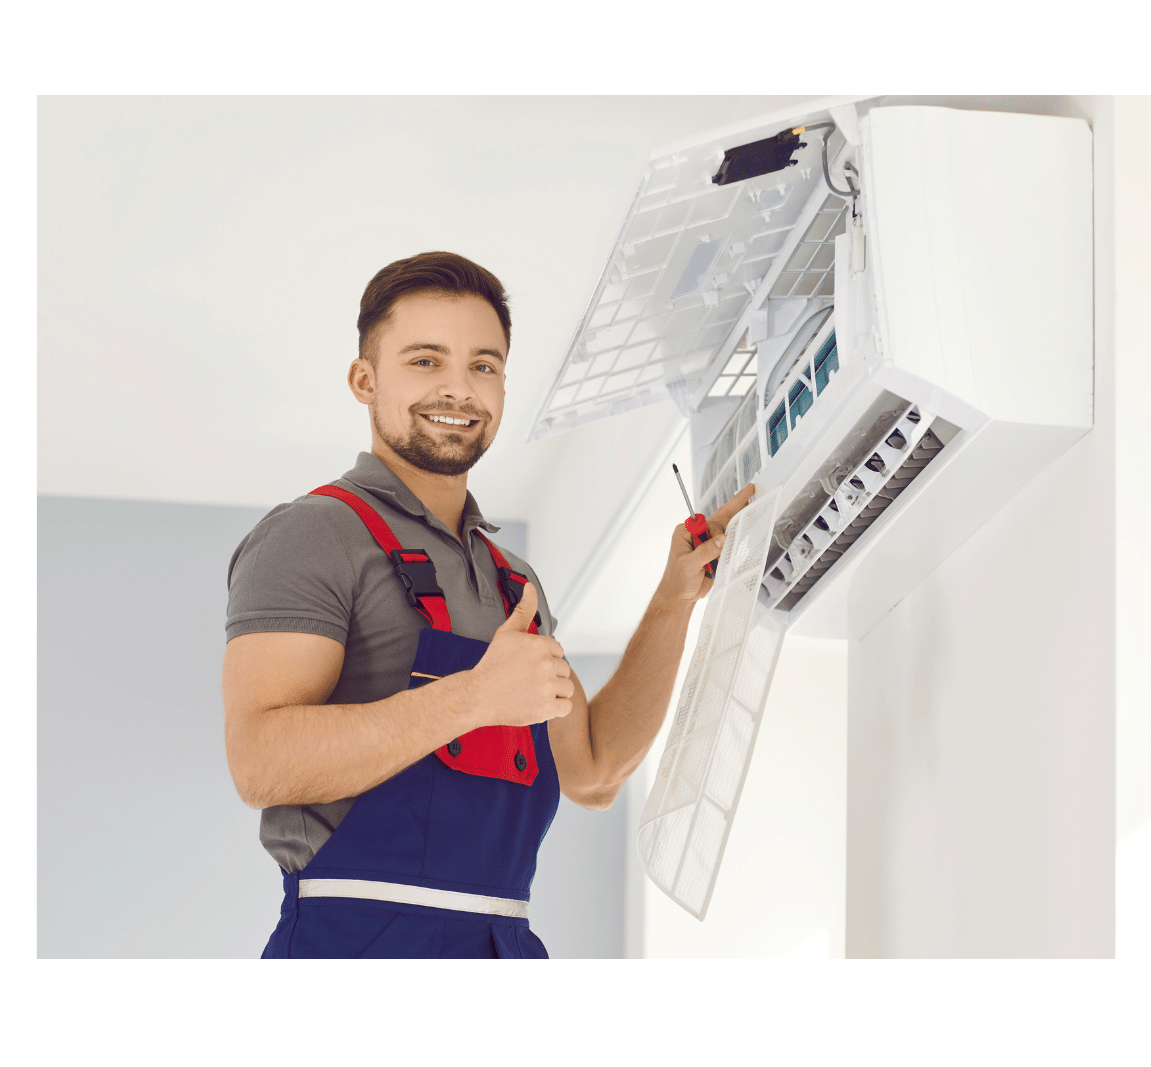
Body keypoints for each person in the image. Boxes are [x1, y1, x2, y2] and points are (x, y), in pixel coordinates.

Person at [222, 251, 753, 958]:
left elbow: (592, 771)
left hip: (503, 946)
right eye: (424, 361)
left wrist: (674, 597)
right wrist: (475, 699)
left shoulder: (512, 581)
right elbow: (262, 765)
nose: (458, 388)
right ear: (363, 379)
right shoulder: (314, 534)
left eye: (483, 365)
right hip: (355, 945)